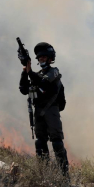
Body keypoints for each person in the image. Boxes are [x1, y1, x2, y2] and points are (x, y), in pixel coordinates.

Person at [19, 42, 69, 176]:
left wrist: (30, 72)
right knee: (40, 141)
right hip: (39, 111)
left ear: (50, 58)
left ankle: (64, 176)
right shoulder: (37, 74)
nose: (41, 59)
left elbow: (44, 83)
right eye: (39, 57)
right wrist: (25, 70)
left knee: (56, 141)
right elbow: (23, 89)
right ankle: (44, 174)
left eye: (44, 57)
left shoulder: (54, 72)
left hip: (51, 110)